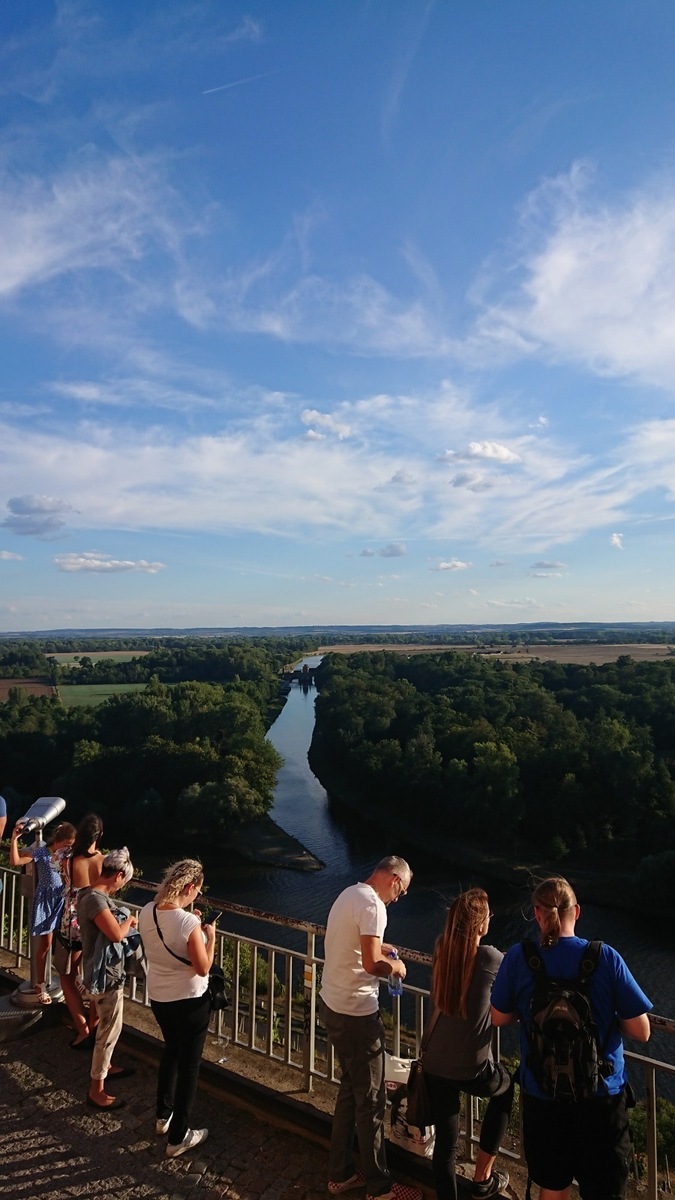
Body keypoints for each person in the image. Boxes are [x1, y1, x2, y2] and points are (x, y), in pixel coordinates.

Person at [491, 876, 652, 1200]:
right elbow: (642, 1031)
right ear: (576, 912)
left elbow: (498, 1017)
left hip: (543, 1094)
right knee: (603, 1191)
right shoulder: (605, 957)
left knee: (553, 1188)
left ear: (537, 913)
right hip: (601, 1097)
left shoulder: (519, 958)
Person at [319, 855, 420, 1200]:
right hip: (357, 1016)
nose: (398, 898)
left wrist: (380, 948)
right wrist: (397, 967)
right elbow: (371, 963)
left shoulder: (349, 894)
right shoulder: (374, 906)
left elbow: (354, 946)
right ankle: (380, 1189)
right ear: (394, 879)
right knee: (372, 1102)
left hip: (332, 1005)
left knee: (351, 1090)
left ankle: (340, 1174)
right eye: (401, 891)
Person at [423, 889, 513, 1200]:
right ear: (479, 924)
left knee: (446, 1146)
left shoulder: (441, 948)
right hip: (470, 1068)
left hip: (434, 1061)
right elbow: (511, 978)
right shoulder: (489, 957)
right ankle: (482, 1177)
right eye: (488, 915)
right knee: (506, 1089)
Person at [138, 858, 214, 1157]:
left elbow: (168, 935)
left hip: (160, 997)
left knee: (171, 1051)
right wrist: (210, 937)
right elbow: (203, 967)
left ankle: (162, 1115)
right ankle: (178, 1137)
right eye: (198, 890)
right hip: (190, 1001)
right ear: (190, 887)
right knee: (189, 1066)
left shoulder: (147, 910)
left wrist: (189, 921)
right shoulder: (188, 923)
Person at [78, 847, 138, 1110]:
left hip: (100, 971)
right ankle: (97, 1090)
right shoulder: (96, 900)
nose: (122, 886)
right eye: (124, 880)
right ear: (119, 875)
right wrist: (130, 920)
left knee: (107, 1026)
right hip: (105, 975)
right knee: (108, 1030)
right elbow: (115, 934)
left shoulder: (88, 893)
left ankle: (106, 1067)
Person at [9, 818, 76, 1004]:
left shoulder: (68, 855)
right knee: (45, 945)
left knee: (71, 942)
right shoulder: (42, 852)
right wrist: (14, 839)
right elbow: (15, 861)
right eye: (68, 844)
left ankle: (74, 979)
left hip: (62, 900)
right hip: (46, 901)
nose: (70, 847)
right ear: (59, 841)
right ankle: (40, 983)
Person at [55, 812, 106, 1046]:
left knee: (67, 976)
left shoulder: (65, 856)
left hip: (70, 921)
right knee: (93, 977)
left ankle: (82, 1029)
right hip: (95, 919)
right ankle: (94, 1028)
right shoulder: (103, 861)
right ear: (100, 835)